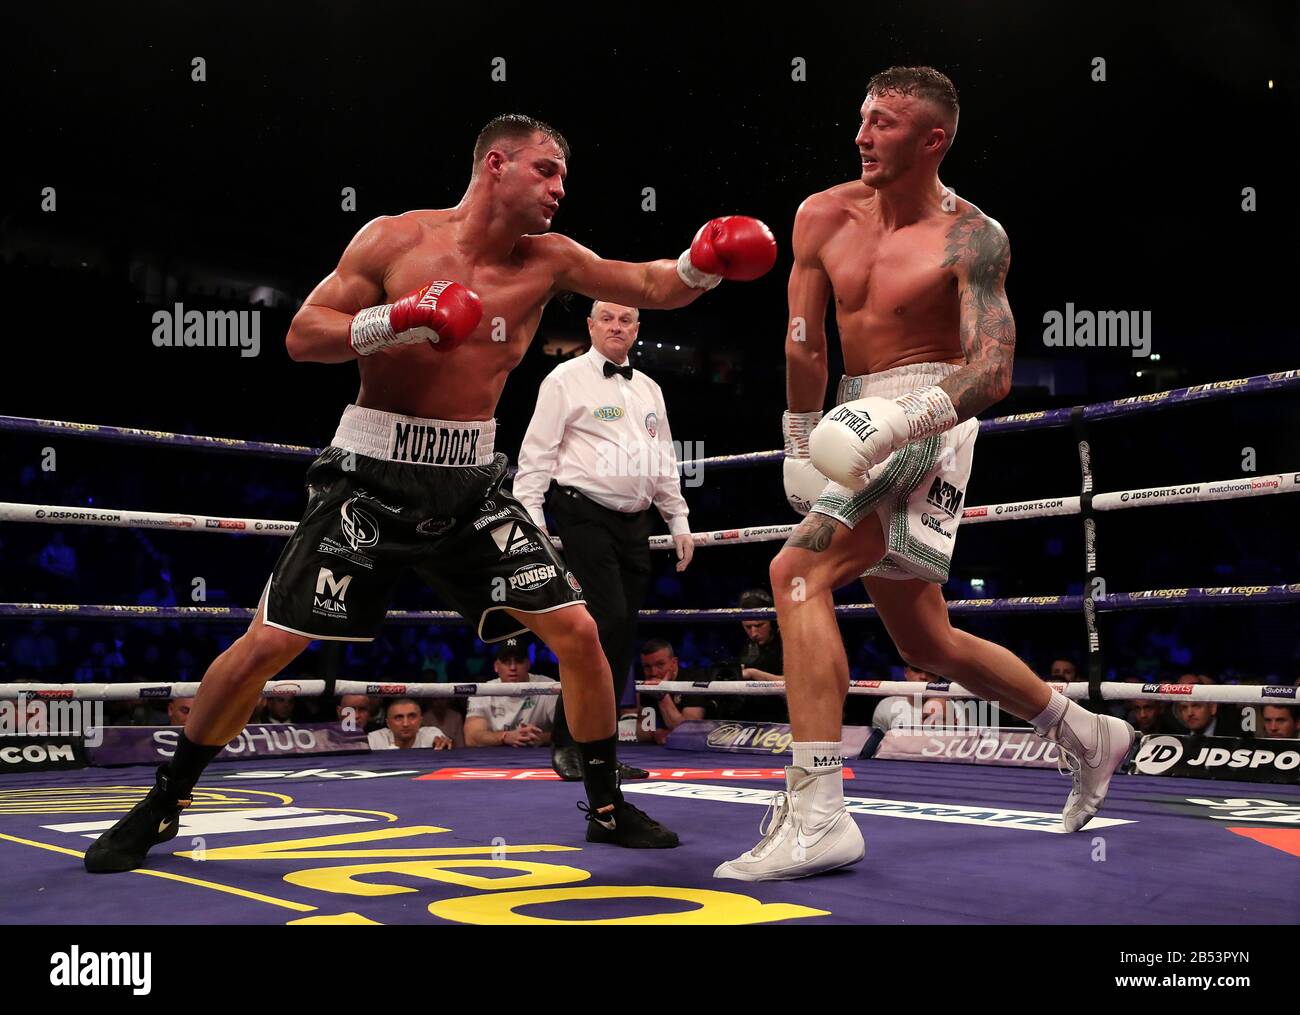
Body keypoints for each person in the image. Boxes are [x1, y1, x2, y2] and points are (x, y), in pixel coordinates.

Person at [86, 113, 776, 872]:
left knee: (578, 634)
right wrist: (402, 318)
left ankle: (606, 806)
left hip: (474, 481)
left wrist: (704, 260)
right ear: (496, 165)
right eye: (545, 170)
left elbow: (650, 282)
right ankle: (163, 803)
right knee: (270, 644)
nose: (559, 187)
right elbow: (302, 334)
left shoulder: (549, 260)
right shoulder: (396, 238)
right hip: (370, 474)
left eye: (564, 176)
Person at [715, 67, 1135, 882]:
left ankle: (820, 810)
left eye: (885, 122)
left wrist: (900, 420)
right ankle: (1086, 731)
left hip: (928, 411)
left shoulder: (975, 237)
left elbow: (994, 368)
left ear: (932, 138)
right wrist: (799, 444)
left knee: (796, 572)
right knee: (925, 638)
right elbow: (805, 341)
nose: (863, 134)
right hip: (845, 413)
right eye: (862, 116)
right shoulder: (820, 214)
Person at [515, 300, 694, 782]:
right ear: (591, 326)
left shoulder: (650, 388)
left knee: (619, 636)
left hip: (636, 524)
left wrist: (677, 518)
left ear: (637, 328)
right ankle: (568, 743)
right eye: (607, 318)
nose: (617, 326)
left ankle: (600, 752)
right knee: (604, 626)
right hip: (582, 514)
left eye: (626, 319)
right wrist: (533, 526)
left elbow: (664, 458)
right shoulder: (564, 379)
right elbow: (536, 453)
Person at [464, 638, 557, 747]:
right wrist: (505, 736)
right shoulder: (482, 691)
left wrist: (539, 737)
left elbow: (569, 733)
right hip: (495, 759)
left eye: (518, 661)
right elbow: (471, 737)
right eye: (506, 662)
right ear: (496, 666)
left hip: (539, 757)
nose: (513, 667)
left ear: (528, 664)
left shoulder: (548, 687)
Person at [636, 638, 707, 743]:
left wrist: (662, 695)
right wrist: (655, 733)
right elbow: (632, 730)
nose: (653, 672)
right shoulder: (643, 683)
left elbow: (689, 732)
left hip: (698, 753)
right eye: (647, 667)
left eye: (660, 665)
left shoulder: (693, 680)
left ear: (674, 663)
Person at [368, 697, 452, 750]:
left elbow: (442, 745)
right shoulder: (375, 739)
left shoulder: (431, 735)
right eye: (398, 717)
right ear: (388, 723)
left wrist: (443, 745)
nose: (406, 724)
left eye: (412, 716)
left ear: (420, 720)